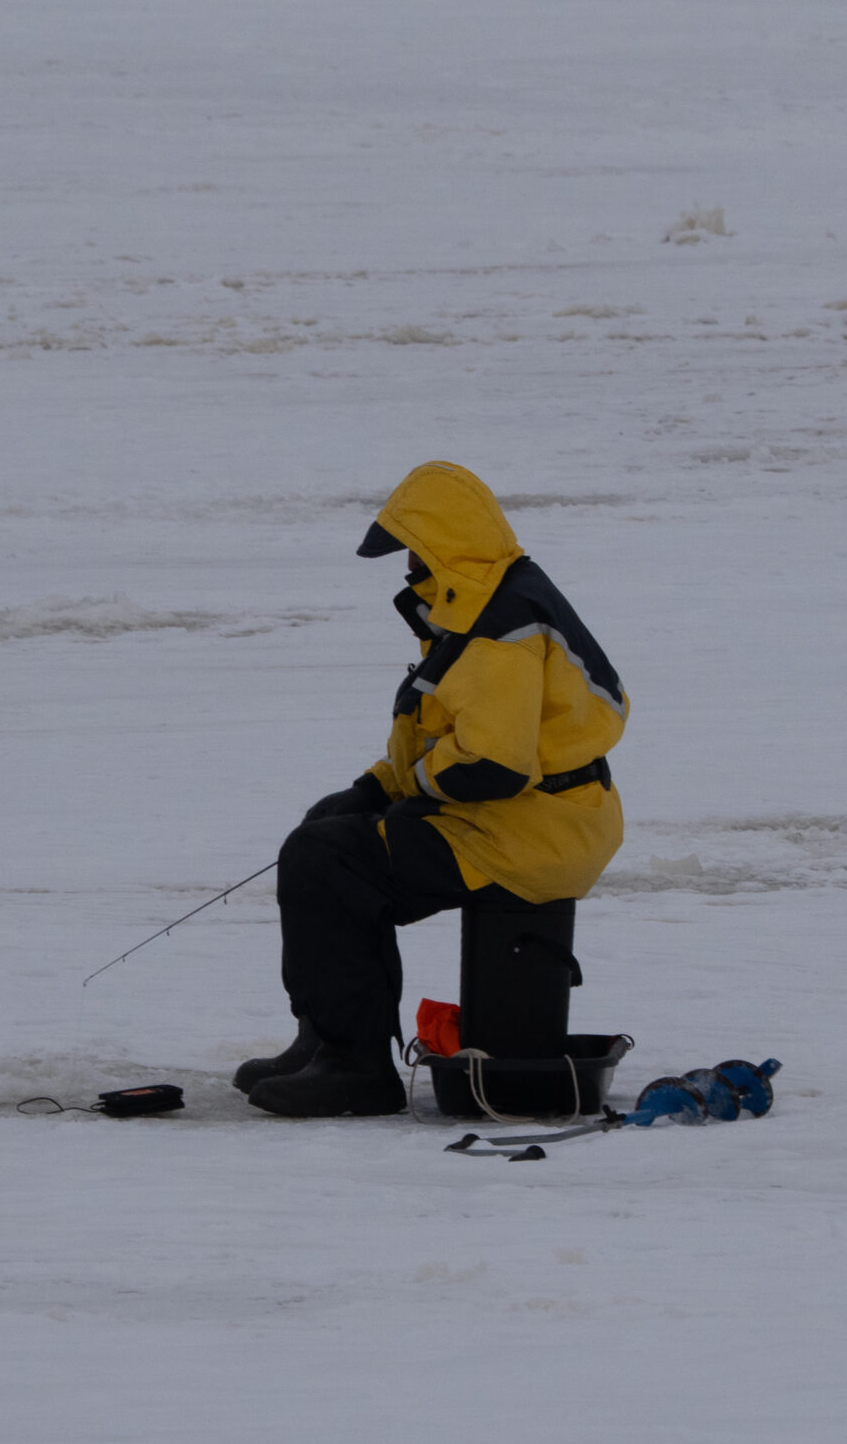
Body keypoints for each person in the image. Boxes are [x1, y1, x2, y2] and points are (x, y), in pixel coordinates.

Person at [238, 460, 629, 1117]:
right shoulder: (486, 601)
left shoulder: (500, 628)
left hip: (530, 832)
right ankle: (327, 1038)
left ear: (447, 543)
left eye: (415, 550)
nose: (409, 566)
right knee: (325, 828)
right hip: (529, 817)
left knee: (327, 860)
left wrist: (410, 791)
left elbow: (492, 765)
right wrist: (376, 788)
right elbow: (449, 733)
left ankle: (357, 1068)